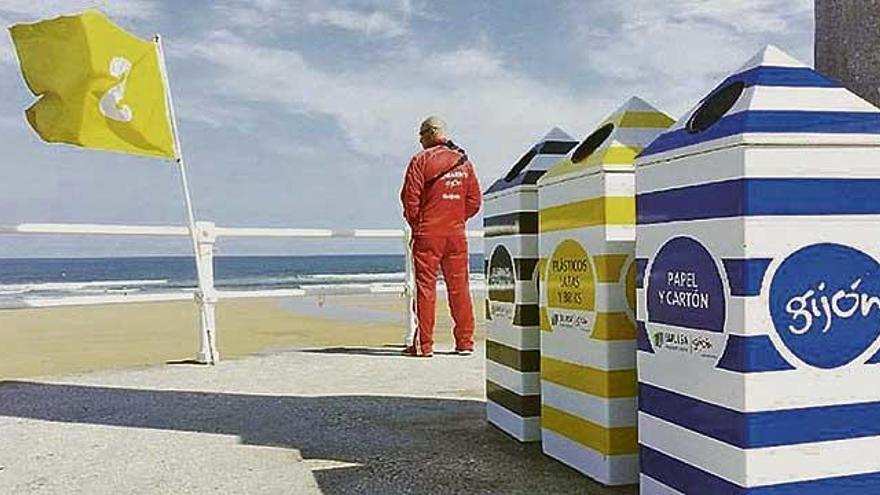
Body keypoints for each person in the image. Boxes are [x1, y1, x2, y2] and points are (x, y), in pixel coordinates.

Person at [400, 115, 481, 357]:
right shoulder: (464, 162)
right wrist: (455, 218)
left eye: (421, 135)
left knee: (426, 289)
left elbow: (409, 199)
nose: (420, 140)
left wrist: (419, 223)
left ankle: (424, 345)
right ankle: (465, 342)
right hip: (456, 234)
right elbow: (474, 201)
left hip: (428, 235)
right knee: (460, 288)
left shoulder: (420, 160)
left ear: (428, 134)